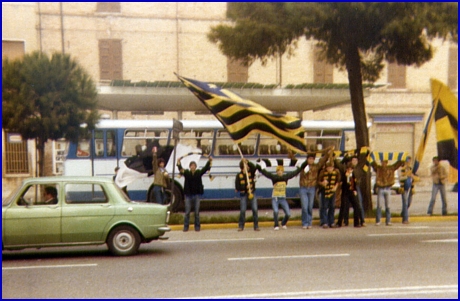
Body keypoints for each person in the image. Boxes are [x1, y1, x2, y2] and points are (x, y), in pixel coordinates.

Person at [257, 160, 308, 230]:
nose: (279, 172)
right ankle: (276, 225)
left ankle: (283, 223)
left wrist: (305, 163)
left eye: (281, 171)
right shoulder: (274, 177)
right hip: (275, 198)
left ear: (283, 171)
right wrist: (259, 167)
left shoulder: (285, 177)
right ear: (276, 172)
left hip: (283, 198)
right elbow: (266, 173)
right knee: (276, 211)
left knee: (288, 214)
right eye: (278, 171)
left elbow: (295, 172)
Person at [298, 147, 333, 229]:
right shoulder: (303, 166)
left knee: (310, 206)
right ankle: (304, 222)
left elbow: (323, 160)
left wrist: (328, 153)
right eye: (309, 159)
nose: (310, 160)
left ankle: (309, 222)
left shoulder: (316, 167)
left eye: (312, 159)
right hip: (303, 188)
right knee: (304, 206)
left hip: (311, 188)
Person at [177, 156, 212, 232]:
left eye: (194, 166)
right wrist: (178, 162)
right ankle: (186, 227)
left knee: (197, 212)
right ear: (190, 167)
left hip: (196, 195)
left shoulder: (198, 173)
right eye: (191, 166)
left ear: (195, 167)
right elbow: (180, 169)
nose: (193, 167)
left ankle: (197, 226)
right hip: (188, 195)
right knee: (187, 212)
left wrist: (209, 161)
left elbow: (205, 168)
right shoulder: (186, 173)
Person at [371, 159, 404, 226]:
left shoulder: (390, 168)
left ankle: (388, 220)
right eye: (382, 162)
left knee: (388, 206)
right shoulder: (378, 169)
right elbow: (373, 164)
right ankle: (378, 220)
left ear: (386, 163)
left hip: (388, 188)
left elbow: (396, 165)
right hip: (380, 188)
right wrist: (371, 158)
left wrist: (401, 159)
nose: (383, 164)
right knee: (379, 205)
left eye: (384, 162)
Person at [235, 159, 259, 231]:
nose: (247, 167)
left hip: (252, 192)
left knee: (255, 209)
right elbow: (237, 187)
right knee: (243, 210)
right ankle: (241, 225)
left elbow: (254, 167)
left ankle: (256, 226)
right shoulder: (239, 175)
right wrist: (245, 187)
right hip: (243, 194)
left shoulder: (250, 173)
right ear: (242, 167)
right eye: (245, 166)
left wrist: (248, 162)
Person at [337, 162, 361, 227]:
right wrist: (346, 178)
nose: (350, 171)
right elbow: (342, 184)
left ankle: (356, 223)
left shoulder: (353, 175)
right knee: (343, 207)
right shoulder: (344, 175)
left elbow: (355, 183)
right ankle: (339, 222)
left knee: (356, 206)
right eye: (349, 169)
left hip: (352, 192)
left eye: (351, 169)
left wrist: (355, 190)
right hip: (345, 192)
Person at [318, 159, 341, 228]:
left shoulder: (336, 172)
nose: (330, 169)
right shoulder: (322, 172)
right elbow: (318, 181)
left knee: (332, 206)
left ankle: (331, 221)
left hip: (332, 191)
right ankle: (324, 222)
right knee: (324, 206)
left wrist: (336, 187)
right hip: (324, 191)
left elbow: (338, 180)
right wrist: (322, 183)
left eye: (331, 168)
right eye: (328, 168)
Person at [398, 156, 419, 224]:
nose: (408, 162)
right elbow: (400, 178)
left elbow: (417, 178)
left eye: (409, 161)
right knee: (405, 202)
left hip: (410, 187)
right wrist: (407, 176)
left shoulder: (411, 169)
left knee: (409, 202)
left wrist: (413, 177)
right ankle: (405, 219)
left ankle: (403, 213)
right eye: (407, 161)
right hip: (403, 187)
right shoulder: (401, 169)